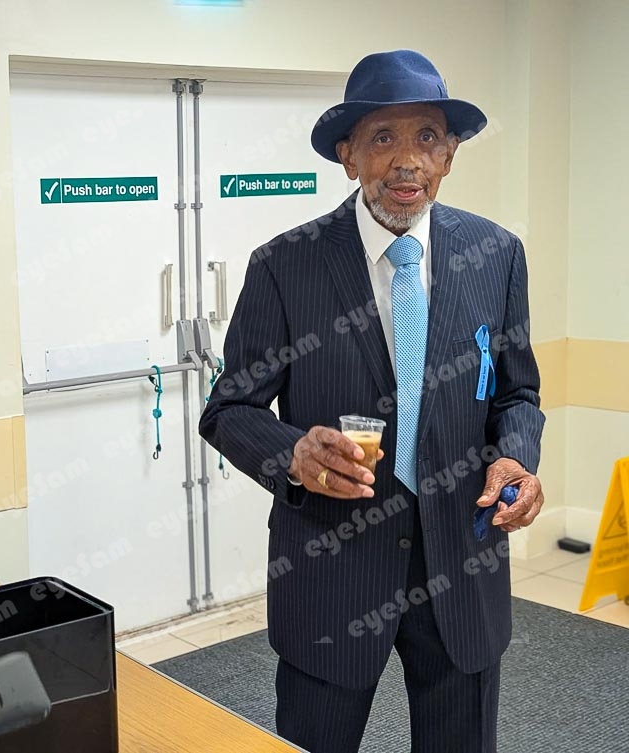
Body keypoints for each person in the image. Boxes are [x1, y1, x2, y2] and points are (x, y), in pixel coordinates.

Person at [200, 50, 545, 753]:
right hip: (332, 572)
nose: (406, 160)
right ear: (348, 156)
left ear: (449, 155)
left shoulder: (497, 254)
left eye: (427, 137)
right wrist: (292, 455)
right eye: (382, 138)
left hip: (464, 560)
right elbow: (228, 408)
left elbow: (517, 392)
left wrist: (516, 457)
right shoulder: (285, 265)